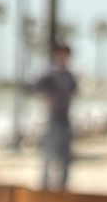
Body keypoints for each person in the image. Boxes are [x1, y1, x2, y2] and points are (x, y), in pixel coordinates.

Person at [28, 44, 78, 190]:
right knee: (49, 152)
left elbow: (73, 91)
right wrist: (48, 98)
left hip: (65, 117)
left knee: (66, 154)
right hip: (53, 117)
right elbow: (35, 86)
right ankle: (44, 185)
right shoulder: (50, 74)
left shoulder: (69, 75)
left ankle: (62, 186)